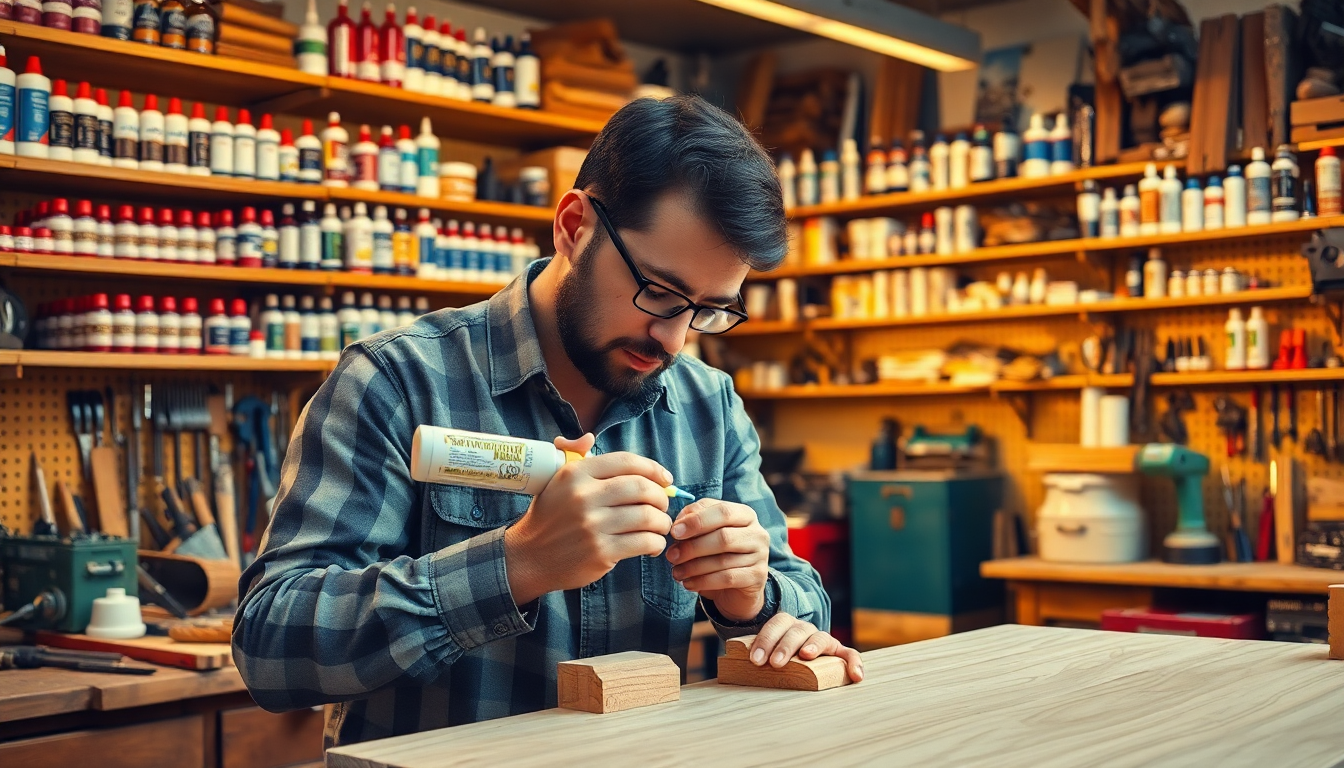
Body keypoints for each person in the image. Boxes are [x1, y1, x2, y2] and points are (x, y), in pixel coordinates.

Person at [233, 94, 862, 747]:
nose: (673, 339)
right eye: (659, 292)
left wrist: (755, 599)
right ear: (573, 225)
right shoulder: (395, 382)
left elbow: (802, 600)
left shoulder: (707, 404)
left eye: (706, 310)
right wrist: (515, 564)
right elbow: (269, 644)